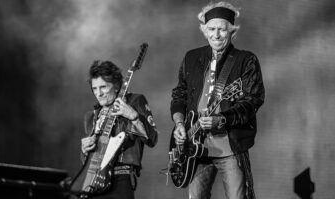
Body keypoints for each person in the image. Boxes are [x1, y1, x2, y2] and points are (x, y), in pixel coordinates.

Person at [170, 1, 265, 199]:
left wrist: (221, 119)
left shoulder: (246, 60)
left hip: (229, 148)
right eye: (211, 29)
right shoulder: (191, 57)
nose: (216, 34)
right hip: (195, 150)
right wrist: (179, 124)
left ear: (232, 31)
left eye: (222, 29)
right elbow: (179, 94)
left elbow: (251, 102)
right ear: (204, 31)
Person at [81, 60, 158, 199]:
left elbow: (152, 139)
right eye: (95, 88)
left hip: (120, 179)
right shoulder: (90, 117)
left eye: (103, 87)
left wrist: (133, 116)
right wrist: (84, 150)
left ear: (116, 86)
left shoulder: (135, 101)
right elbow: (86, 162)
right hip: (92, 182)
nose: (99, 93)